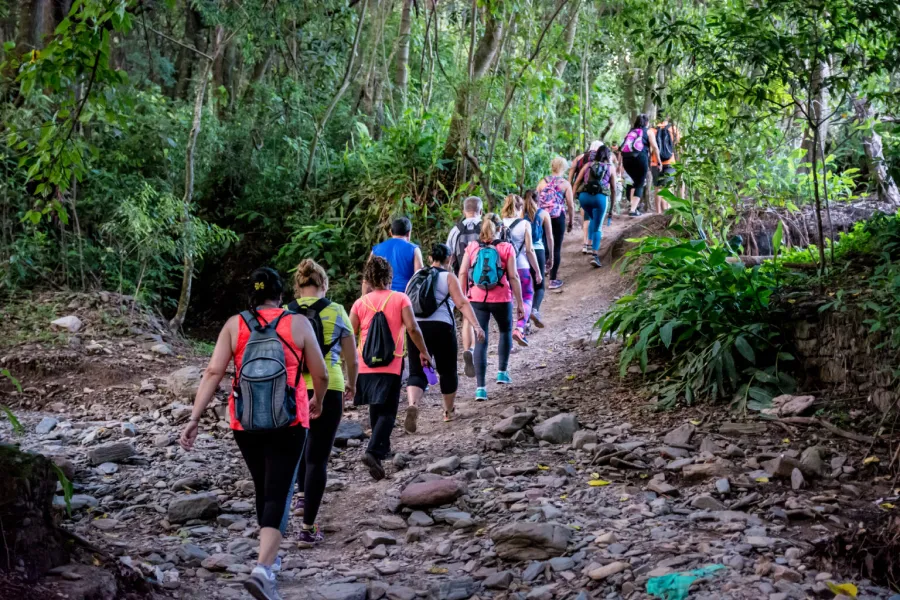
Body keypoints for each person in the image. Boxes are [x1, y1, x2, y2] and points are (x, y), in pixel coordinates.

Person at [179, 267, 328, 600]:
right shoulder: (298, 322)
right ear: (280, 293)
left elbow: (214, 371)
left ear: (252, 294)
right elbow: (319, 373)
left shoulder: (235, 324)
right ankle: (262, 570)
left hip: (245, 423)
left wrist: (194, 417)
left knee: (264, 487)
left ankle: (268, 566)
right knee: (280, 491)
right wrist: (317, 398)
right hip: (290, 420)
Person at [285, 259, 358, 547]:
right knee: (318, 457)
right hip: (330, 386)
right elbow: (352, 358)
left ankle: (301, 496)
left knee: (298, 446)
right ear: (324, 284)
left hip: (293, 389)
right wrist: (353, 383)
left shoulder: (285, 313)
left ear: (298, 287)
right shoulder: (337, 310)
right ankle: (307, 529)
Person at [351, 256, 432, 480]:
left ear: (367, 278)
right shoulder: (400, 298)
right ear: (390, 277)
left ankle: (382, 448)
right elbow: (413, 329)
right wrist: (423, 351)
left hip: (365, 363)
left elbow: (350, 333)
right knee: (389, 411)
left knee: (376, 407)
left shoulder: (360, 303)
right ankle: (373, 451)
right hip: (391, 362)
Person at [405, 243, 485, 428]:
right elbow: (462, 303)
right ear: (449, 259)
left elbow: (407, 304)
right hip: (442, 327)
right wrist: (476, 326)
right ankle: (448, 411)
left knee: (417, 372)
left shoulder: (415, 277)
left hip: (416, 328)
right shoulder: (448, 277)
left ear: (430, 258)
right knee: (447, 371)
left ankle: (413, 405)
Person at [458, 214, 525, 401]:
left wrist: (463, 296)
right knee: (505, 331)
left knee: (481, 339)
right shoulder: (506, 247)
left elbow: (463, 272)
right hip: (501, 297)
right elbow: (513, 277)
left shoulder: (471, 247)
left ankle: (480, 388)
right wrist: (520, 302)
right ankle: (502, 372)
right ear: (499, 229)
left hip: (476, 298)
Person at [445, 196, 483, 379]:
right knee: (483, 313)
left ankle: (469, 348)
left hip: (463, 278)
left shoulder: (455, 230)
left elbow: (448, 258)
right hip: (486, 278)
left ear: (463, 210)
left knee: (466, 315)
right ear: (480, 210)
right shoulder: (487, 226)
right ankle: (479, 350)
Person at [501, 194, 543, 346]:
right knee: (527, 296)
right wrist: (537, 271)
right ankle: (519, 328)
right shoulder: (525, 224)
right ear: (520, 208)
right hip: (521, 266)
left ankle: (507, 342)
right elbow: (530, 250)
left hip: (503, 269)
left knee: (508, 301)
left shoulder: (499, 223)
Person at [573, 145, 618, 268]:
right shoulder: (610, 168)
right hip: (600, 198)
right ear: (608, 156)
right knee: (598, 227)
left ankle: (587, 244)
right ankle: (595, 255)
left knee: (592, 217)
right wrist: (611, 208)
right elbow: (614, 189)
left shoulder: (587, 165)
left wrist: (572, 200)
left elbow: (577, 182)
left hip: (584, 198)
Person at [535, 157, 575, 290]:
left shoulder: (542, 182)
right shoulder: (565, 184)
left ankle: (540, 274)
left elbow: (535, 201)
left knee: (543, 244)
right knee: (556, 247)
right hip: (558, 217)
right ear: (563, 167)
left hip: (542, 217)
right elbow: (570, 205)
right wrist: (571, 221)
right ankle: (553, 280)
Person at [523, 189, 553, 326]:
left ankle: (525, 323)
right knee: (539, 286)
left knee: (526, 288)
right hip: (538, 251)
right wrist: (551, 256)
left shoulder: (519, 215)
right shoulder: (543, 214)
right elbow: (549, 237)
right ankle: (535, 309)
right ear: (539, 200)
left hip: (523, 252)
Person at [370, 217, 424, 293]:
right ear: (409, 233)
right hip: (405, 296)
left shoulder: (376, 249)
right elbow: (419, 277)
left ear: (391, 232)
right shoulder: (414, 249)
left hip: (381, 296)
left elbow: (367, 277)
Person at [620, 114, 660, 216]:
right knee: (640, 183)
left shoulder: (630, 132)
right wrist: (658, 161)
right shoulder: (648, 131)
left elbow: (623, 146)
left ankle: (633, 207)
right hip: (640, 158)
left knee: (635, 182)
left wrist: (620, 164)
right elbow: (655, 147)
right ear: (647, 122)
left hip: (626, 159)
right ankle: (633, 210)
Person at [569, 141, 602, 254]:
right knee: (595, 218)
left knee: (586, 219)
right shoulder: (602, 159)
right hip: (597, 192)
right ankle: (590, 243)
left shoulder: (579, 158)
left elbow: (571, 177)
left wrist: (570, 195)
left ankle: (584, 244)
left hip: (582, 191)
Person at [649, 113, 680, 213]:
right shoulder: (673, 129)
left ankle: (658, 213)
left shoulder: (652, 130)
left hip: (655, 162)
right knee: (668, 187)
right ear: (667, 117)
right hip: (670, 162)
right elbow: (679, 146)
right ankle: (667, 211)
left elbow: (650, 148)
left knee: (658, 187)